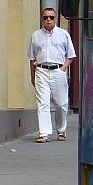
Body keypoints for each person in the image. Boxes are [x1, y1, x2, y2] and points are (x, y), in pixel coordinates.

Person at [28, 8, 76, 144]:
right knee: (42, 103)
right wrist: (33, 76)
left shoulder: (63, 34)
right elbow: (32, 58)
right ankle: (44, 133)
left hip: (58, 70)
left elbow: (71, 55)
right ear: (42, 19)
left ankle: (61, 130)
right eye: (45, 17)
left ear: (55, 19)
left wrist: (63, 69)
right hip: (41, 70)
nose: (48, 20)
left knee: (61, 103)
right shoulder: (35, 36)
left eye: (51, 17)